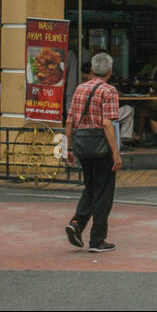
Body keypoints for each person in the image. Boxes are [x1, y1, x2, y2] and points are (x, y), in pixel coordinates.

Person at [64, 52, 122, 253]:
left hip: (82, 145)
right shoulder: (109, 91)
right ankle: (97, 240)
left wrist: (69, 148)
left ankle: (77, 224)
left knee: (89, 188)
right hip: (101, 147)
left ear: (92, 70)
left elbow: (69, 121)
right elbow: (107, 123)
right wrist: (115, 153)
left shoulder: (80, 88)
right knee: (104, 192)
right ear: (110, 71)